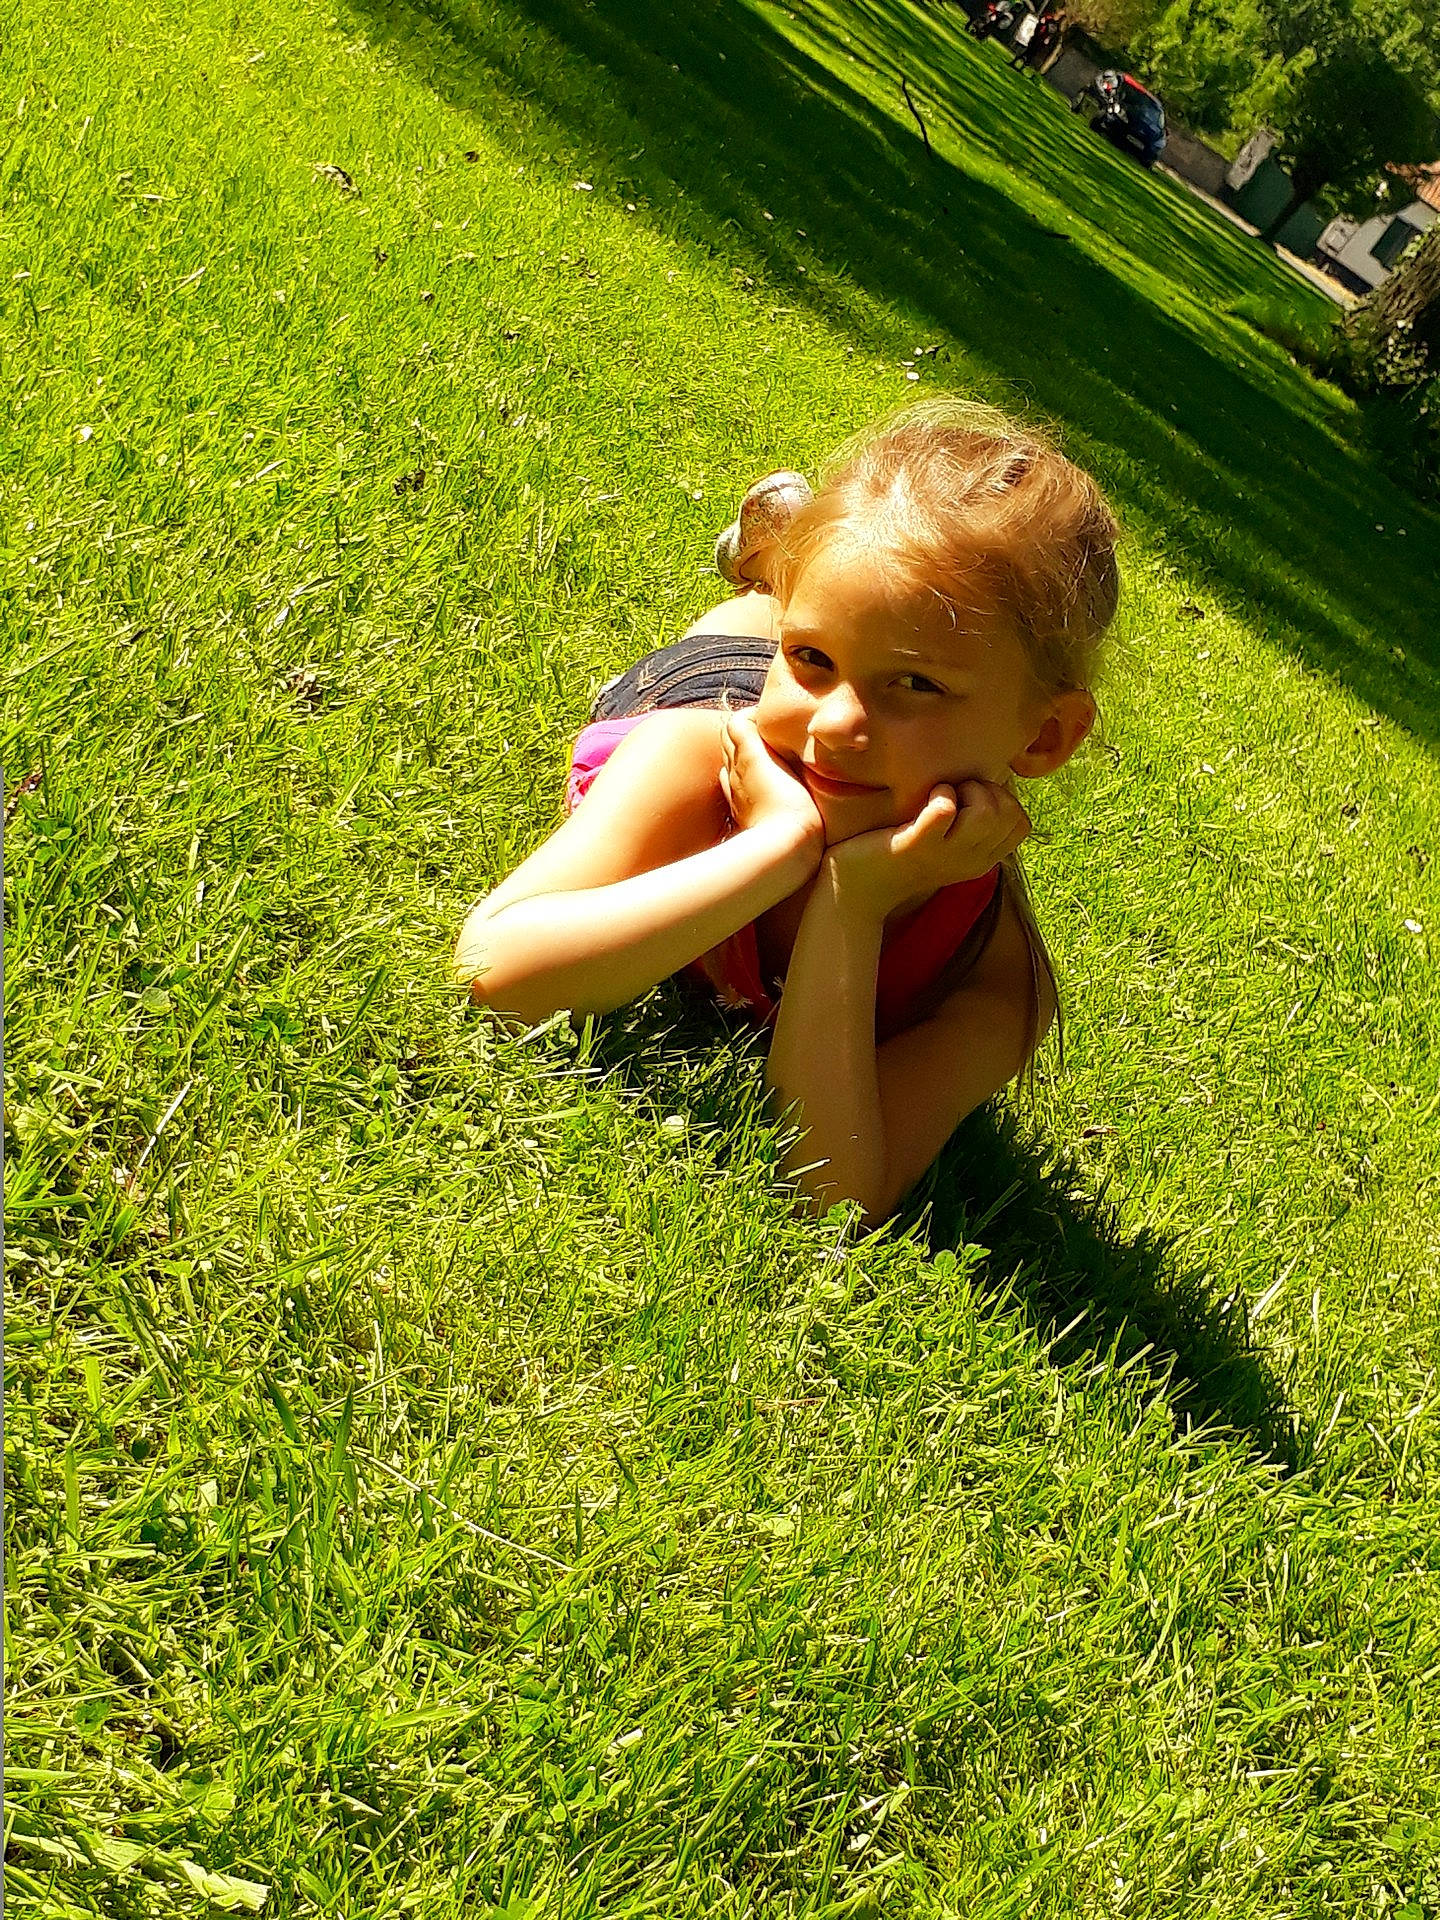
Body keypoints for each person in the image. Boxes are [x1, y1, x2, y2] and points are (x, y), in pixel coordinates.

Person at [453, 399, 1120, 1225]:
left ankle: (790, 572)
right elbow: (492, 971)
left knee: (840, 611)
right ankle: (774, 575)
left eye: (916, 684)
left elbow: (831, 1194)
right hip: (708, 687)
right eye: (811, 656)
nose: (836, 725)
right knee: (757, 622)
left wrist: (852, 899)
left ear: (1045, 736)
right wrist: (774, 845)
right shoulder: (690, 763)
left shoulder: (988, 968)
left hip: (779, 699)